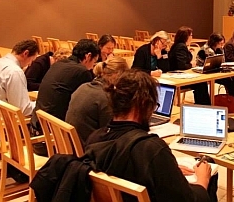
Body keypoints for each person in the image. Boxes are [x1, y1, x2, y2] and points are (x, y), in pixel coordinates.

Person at [85, 69, 216, 202]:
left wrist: (168, 170)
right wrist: (202, 180)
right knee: (208, 170)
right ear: (144, 104)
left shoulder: (94, 139)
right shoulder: (152, 149)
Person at [30, 39, 99, 155]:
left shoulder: (58, 64)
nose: (92, 67)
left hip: (36, 132)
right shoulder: (81, 72)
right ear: (88, 56)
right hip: (52, 142)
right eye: (94, 62)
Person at [66, 57, 129, 146]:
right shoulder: (106, 97)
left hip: (74, 145)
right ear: (116, 75)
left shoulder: (83, 87)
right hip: (89, 151)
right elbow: (111, 131)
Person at [0, 40, 39, 134]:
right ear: (25, 53)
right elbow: (23, 110)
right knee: (45, 129)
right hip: (2, 128)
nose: (30, 64)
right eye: (32, 60)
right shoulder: (14, 71)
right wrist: (40, 103)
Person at [196, 33, 234, 109]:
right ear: (214, 42)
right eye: (220, 43)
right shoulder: (205, 50)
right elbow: (209, 64)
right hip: (205, 73)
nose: (222, 45)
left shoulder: (219, 49)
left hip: (216, 71)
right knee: (229, 81)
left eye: (222, 43)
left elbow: (222, 61)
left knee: (232, 78)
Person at [169, 26, 210, 105]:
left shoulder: (178, 45)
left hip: (178, 74)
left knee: (201, 83)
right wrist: (191, 64)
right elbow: (181, 66)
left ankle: (202, 105)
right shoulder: (181, 47)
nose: (192, 37)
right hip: (178, 76)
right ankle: (204, 106)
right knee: (201, 83)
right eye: (191, 35)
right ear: (186, 36)